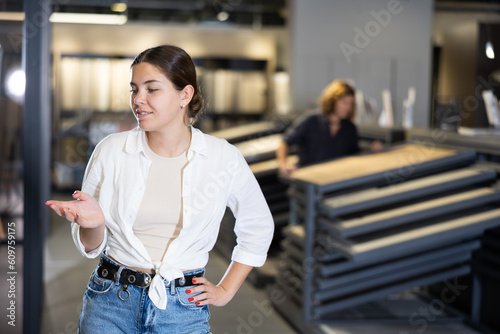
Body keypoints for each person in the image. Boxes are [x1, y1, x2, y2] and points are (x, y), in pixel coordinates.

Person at [45, 45, 274, 334]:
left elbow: (259, 226)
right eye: (134, 89)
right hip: (110, 304)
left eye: (151, 89)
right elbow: (91, 246)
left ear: (185, 95)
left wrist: (226, 289)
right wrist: (95, 224)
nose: (138, 100)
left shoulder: (222, 158)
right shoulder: (112, 151)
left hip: (183, 310)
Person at [277, 80, 363, 175]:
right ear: (332, 101)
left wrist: (371, 150)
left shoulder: (350, 128)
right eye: (344, 103)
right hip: (307, 179)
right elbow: (284, 143)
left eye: (351, 104)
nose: (348, 108)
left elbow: (354, 155)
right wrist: (283, 164)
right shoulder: (311, 120)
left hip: (334, 180)